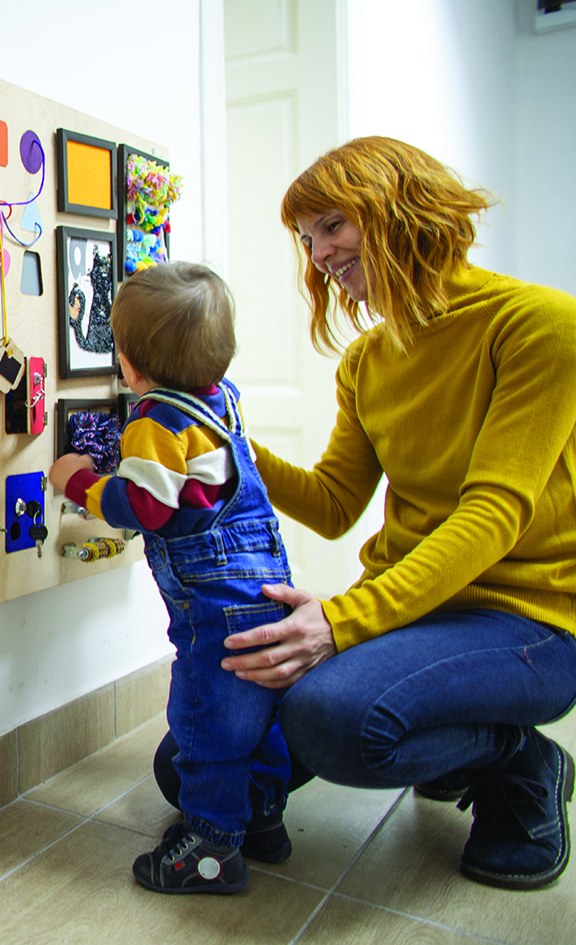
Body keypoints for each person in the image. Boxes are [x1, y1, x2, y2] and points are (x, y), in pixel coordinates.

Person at [152, 136, 576, 891]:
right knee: (200, 749)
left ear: (395, 205)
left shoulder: (540, 325)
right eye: (306, 240)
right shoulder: (366, 361)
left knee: (333, 721)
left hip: (527, 624)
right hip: (417, 614)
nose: (316, 255)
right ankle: (453, 735)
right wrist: (219, 436)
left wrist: (342, 621)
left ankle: (521, 761)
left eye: (329, 227)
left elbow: (493, 515)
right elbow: (333, 502)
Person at [49, 262, 293, 895]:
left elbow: (149, 508)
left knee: (205, 717)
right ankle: (261, 820)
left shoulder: (156, 421)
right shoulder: (222, 400)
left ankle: (212, 847)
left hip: (216, 607)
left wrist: (79, 481)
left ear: (129, 366)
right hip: (265, 587)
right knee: (256, 714)